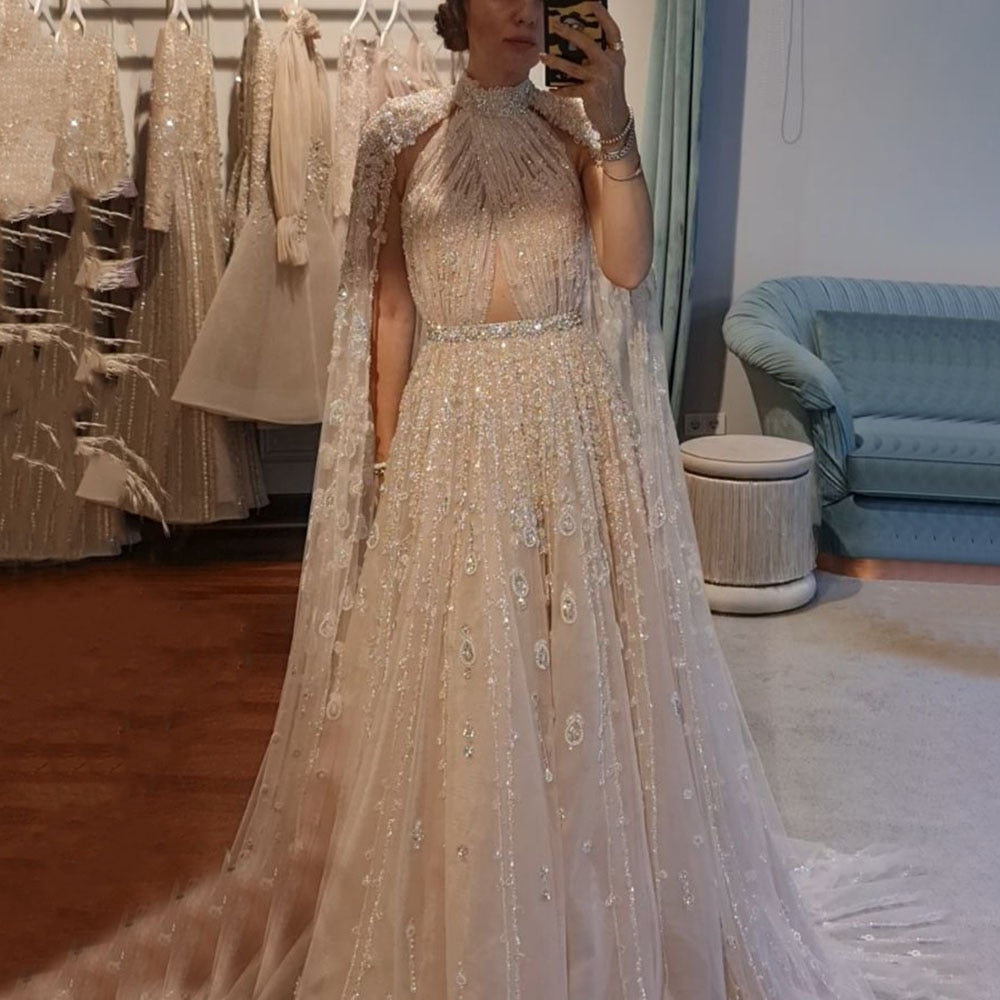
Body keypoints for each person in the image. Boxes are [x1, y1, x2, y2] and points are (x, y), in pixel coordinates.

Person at [9, 2, 969, 999]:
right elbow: (388, 308)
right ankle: (473, 903)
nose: (523, 10)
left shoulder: (577, 131)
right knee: (464, 667)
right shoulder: (399, 135)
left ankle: (582, 897)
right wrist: (388, 463)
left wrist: (616, 121)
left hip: (566, 425)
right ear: (461, 10)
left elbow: (626, 266)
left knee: (577, 660)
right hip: (451, 434)